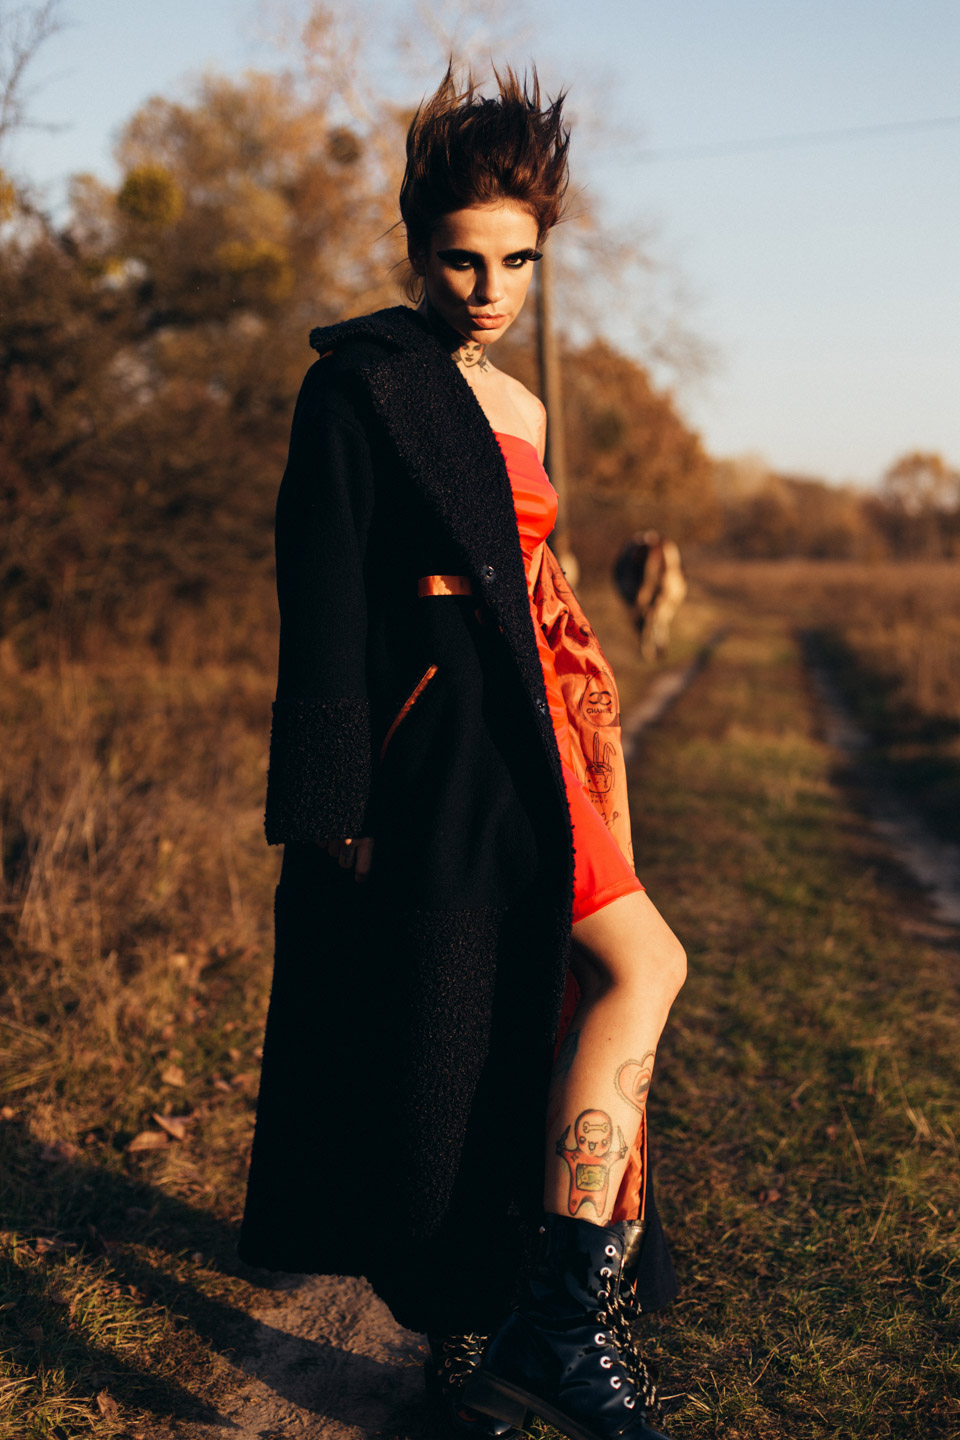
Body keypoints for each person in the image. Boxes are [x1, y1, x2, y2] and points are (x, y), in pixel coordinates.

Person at [239, 67, 686, 1440]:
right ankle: (518, 1328)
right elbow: (317, 607)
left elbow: (531, 588)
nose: (489, 288)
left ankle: (551, 1321)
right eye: (460, 258)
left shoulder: (526, 410)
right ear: (414, 247)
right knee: (481, 1031)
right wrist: (335, 806)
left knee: (602, 987)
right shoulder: (363, 390)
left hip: (545, 743)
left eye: (517, 262)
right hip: (444, 762)